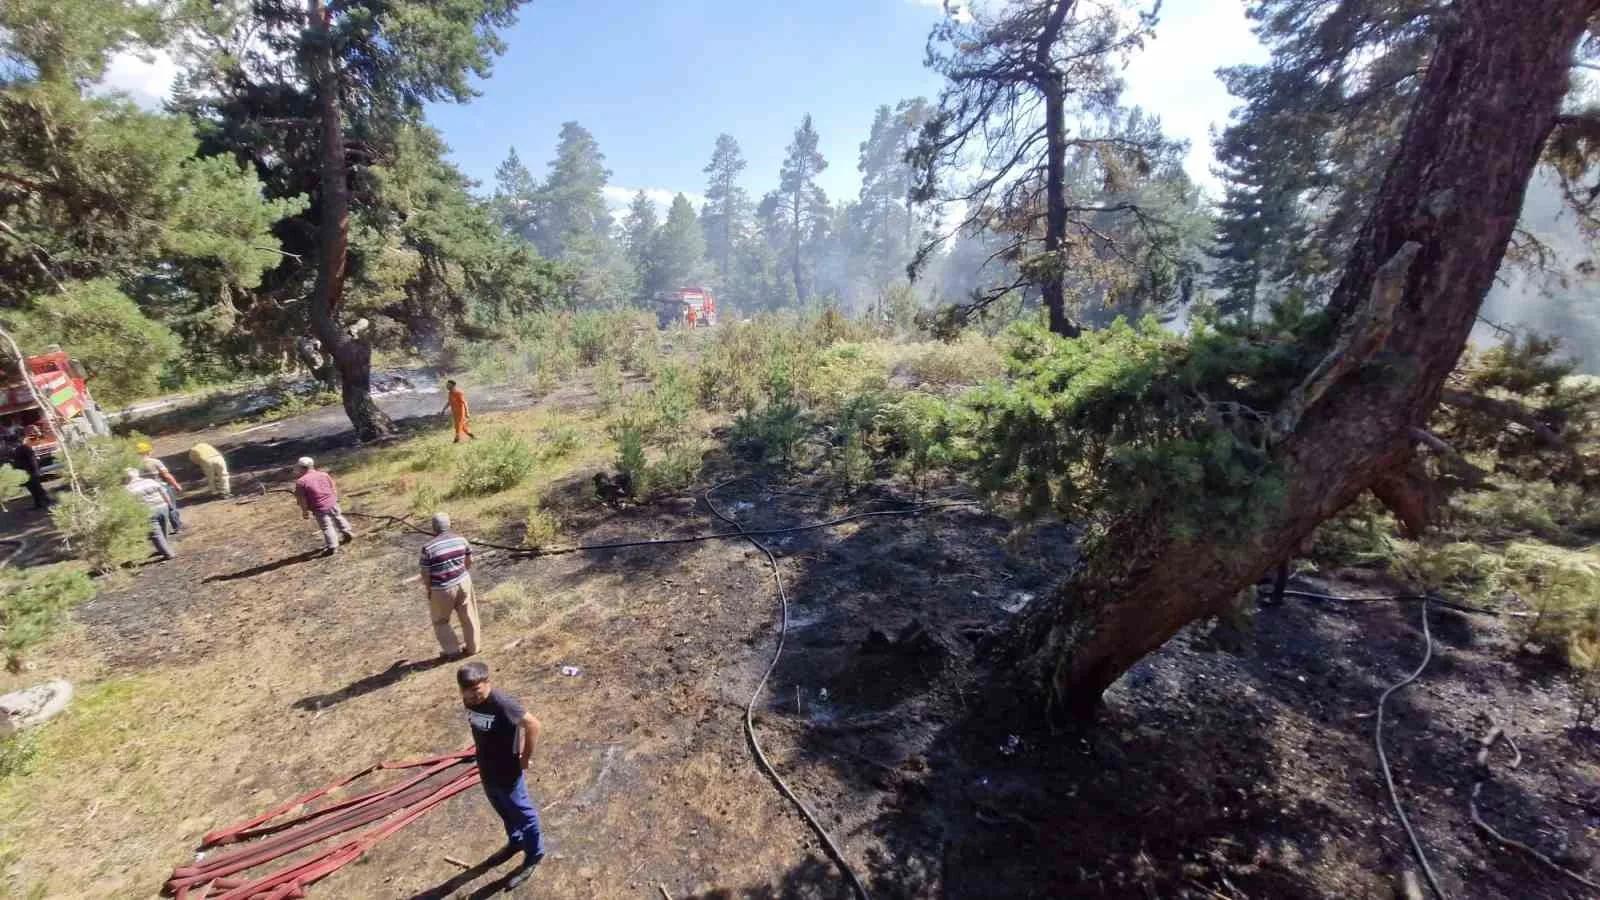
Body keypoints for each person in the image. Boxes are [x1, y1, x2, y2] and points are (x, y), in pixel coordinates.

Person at [457, 661, 544, 888]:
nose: (473, 697)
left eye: (477, 691)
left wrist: (525, 756)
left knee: (524, 814)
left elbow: (533, 724)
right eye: (467, 692)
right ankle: (515, 842)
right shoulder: (468, 700)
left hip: (507, 770)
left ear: (488, 683)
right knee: (503, 809)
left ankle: (535, 854)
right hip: (486, 768)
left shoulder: (502, 703)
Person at [420, 512, 479, 658]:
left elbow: (425, 573)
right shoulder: (461, 539)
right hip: (463, 582)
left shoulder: (428, 548)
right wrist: (462, 573)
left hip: (442, 588)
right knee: (468, 615)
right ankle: (473, 648)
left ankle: (453, 652)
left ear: (434, 527)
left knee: (440, 621)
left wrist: (429, 590)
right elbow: (469, 560)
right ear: (449, 524)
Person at [292, 456, 353, 556]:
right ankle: (347, 532)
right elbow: (332, 487)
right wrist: (335, 499)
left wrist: (305, 511)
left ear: (302, 468)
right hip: (332, 502)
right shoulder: (324, 474)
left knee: (326, 527)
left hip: (319, 508)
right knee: (338, 517)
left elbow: (302, 499)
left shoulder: (301, 482)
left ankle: (333, 546)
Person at [125, 467, 176, 560]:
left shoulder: (128, 489)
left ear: (126, 478)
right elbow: (164, 493)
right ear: (137, 474)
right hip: (162, 507)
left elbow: (130, 504)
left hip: (147, 512)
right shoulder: (150, 481)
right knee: (164, 528)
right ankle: (165, 547)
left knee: (156, 533)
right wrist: (170, 504)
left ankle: (167, 552)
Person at [136, 441, 182, 532]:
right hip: (160, 486)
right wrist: (176, 484)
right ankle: (177, 526)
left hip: (143, 490)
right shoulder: (155, 462)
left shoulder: (135, 465)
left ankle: (157, 529)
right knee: (171, 506)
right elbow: (166, 475)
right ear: (148, 452)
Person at [8, 428, 49, 510]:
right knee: (33, 489)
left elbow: (32, 459)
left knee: (36, 489)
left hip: (30, 472)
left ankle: (46, 503)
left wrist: (36, 470)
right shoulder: (18, 449)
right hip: (24, 473)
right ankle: (39, 504)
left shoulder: (24, 447)